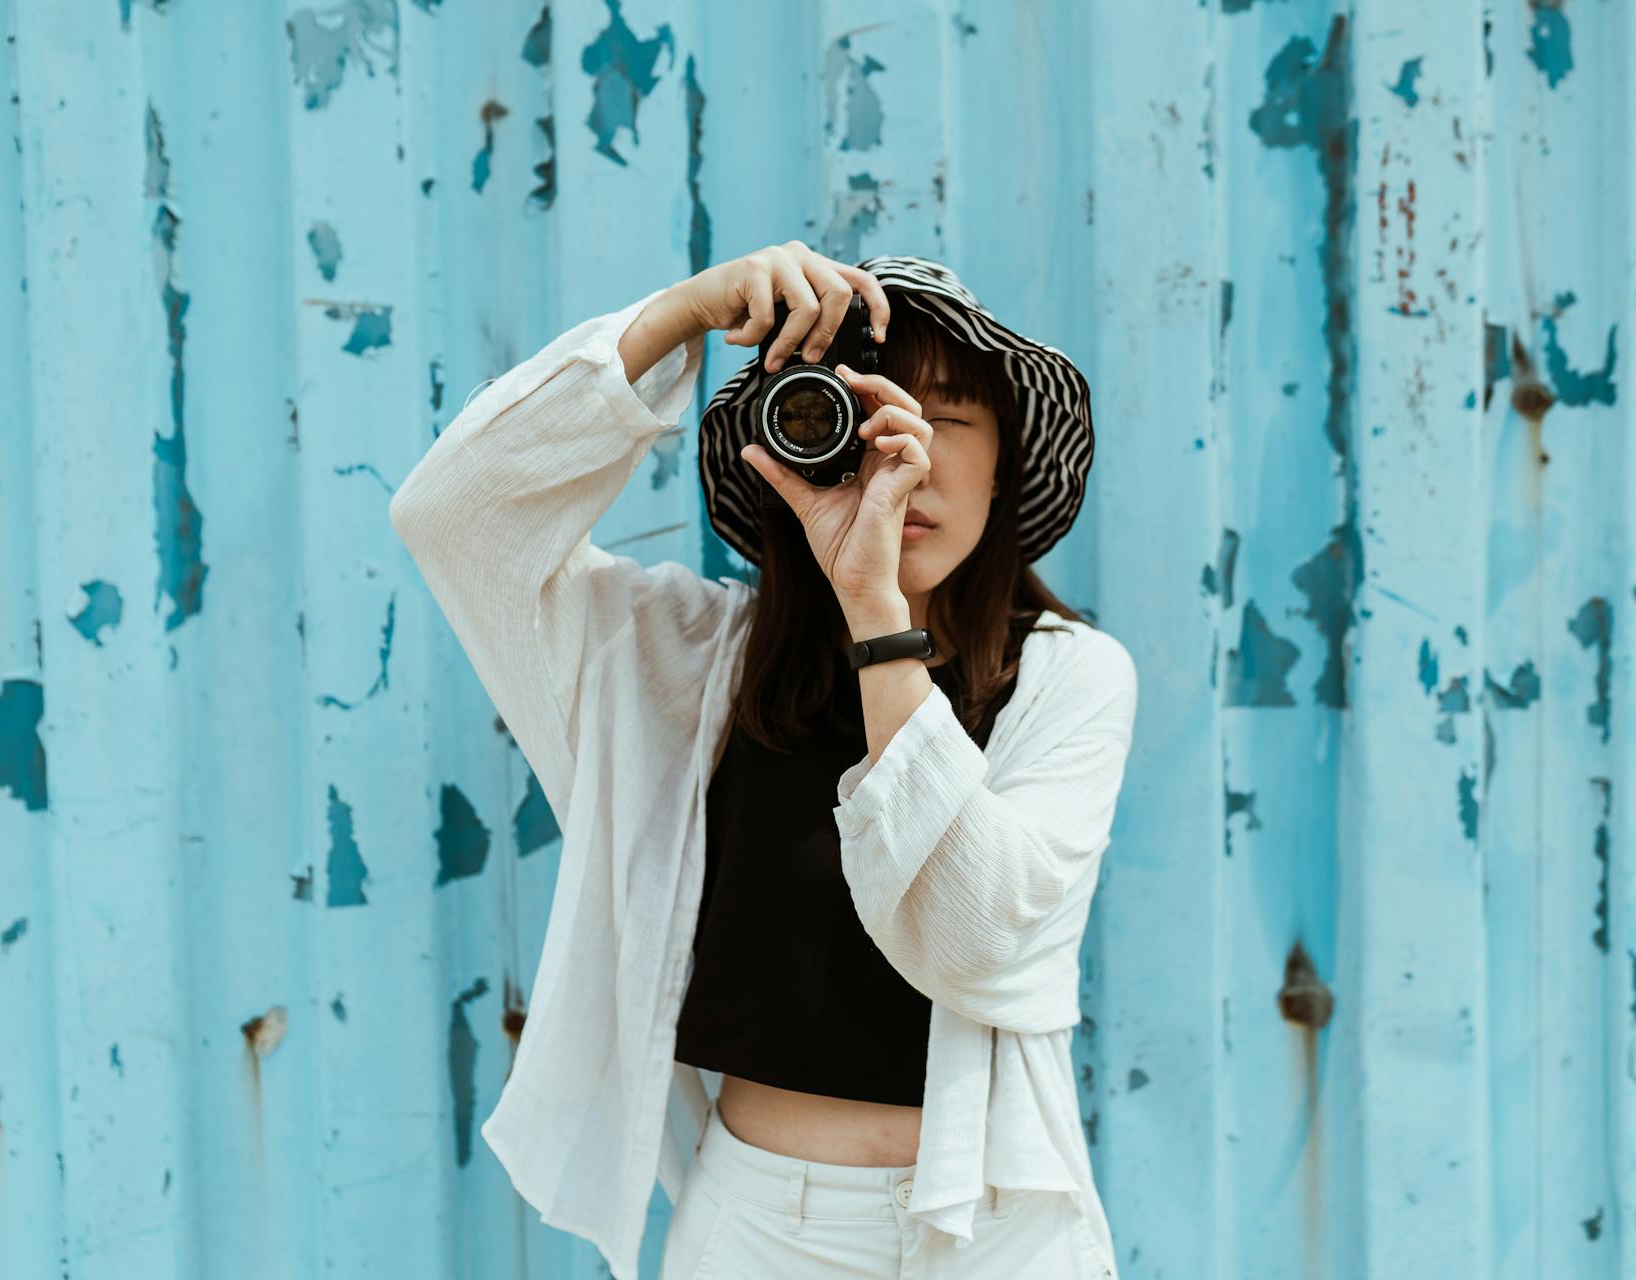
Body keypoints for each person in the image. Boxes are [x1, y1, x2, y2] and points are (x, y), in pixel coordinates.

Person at [389, 241, 1135, 1279]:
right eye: (864, 414)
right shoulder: (692, 667)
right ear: (799, 445)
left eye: (946, 418)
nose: (901, 451)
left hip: (1000, 1231)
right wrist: (681, 312)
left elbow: (972, 936)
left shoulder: (1071, 680)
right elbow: (453, 518)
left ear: (1006, 463)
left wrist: (879, 612)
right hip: (763, 1232)